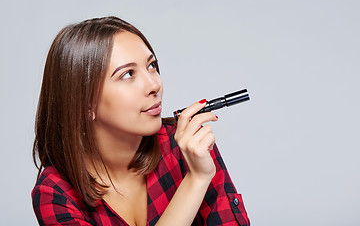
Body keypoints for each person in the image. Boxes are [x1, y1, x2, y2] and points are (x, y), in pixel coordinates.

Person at [31, 16, 250, 226]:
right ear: (85, 104)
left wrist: (200, 173)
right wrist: (195, 180)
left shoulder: (188, 147)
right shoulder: (55, 193)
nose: (154, 85)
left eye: (152, 65)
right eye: (127, 74)